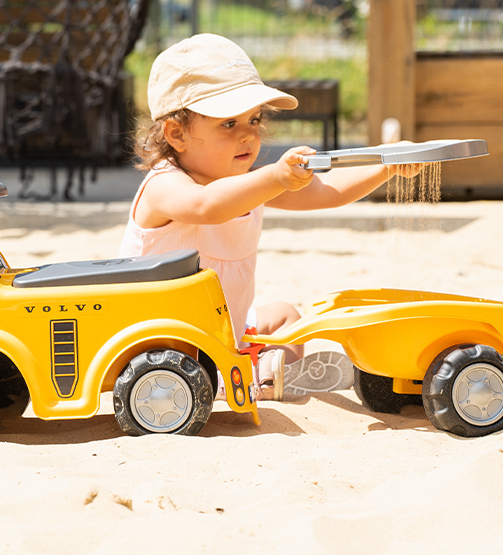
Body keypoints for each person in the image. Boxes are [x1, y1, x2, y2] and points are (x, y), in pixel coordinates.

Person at [119, 34, 420, 401]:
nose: (249, 134)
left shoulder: (245, 183)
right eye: (229, 124)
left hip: (225, 331)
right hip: (162, 340)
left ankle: (264, 373)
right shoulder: (165, 186)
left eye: (255, 119)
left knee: (285, 316)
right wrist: (275, 177)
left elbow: (328, 191)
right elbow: (207, 207)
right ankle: (252, 372)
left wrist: (385, 161)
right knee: (197, 354)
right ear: (177, 133)